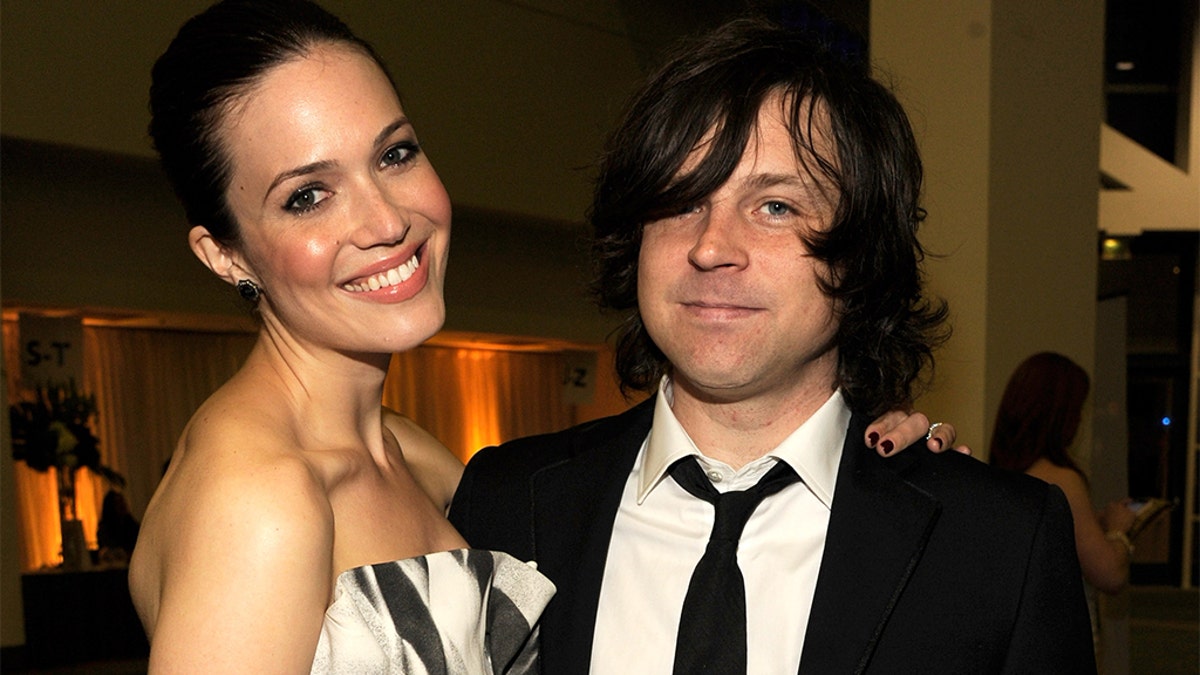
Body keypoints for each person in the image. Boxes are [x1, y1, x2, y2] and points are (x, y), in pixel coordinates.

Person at [127, 2, 948, 672]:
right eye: (308, 195)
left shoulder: (421, 461)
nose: (384, 220)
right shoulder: (261, 500)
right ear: (224, 250)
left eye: (395, 154)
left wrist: (879, 468)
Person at [449, 17, 1097, 674]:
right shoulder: (507, 501)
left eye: (776, 207)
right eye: (679, 202)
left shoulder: (996, 544)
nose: (710, 246)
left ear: (862, 254)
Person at [989, 352, 1137, 646]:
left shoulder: (1002, 473)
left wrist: (1093, 522)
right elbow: (1109, 574)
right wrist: (1120, 530)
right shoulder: (1061, 479)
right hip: (1056, 638)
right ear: (1060, 414)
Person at [97, 489, 140, 563]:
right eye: (118, 503)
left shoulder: (131, 525)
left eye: (122, 502)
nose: (122, 505)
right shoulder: (105, 529)